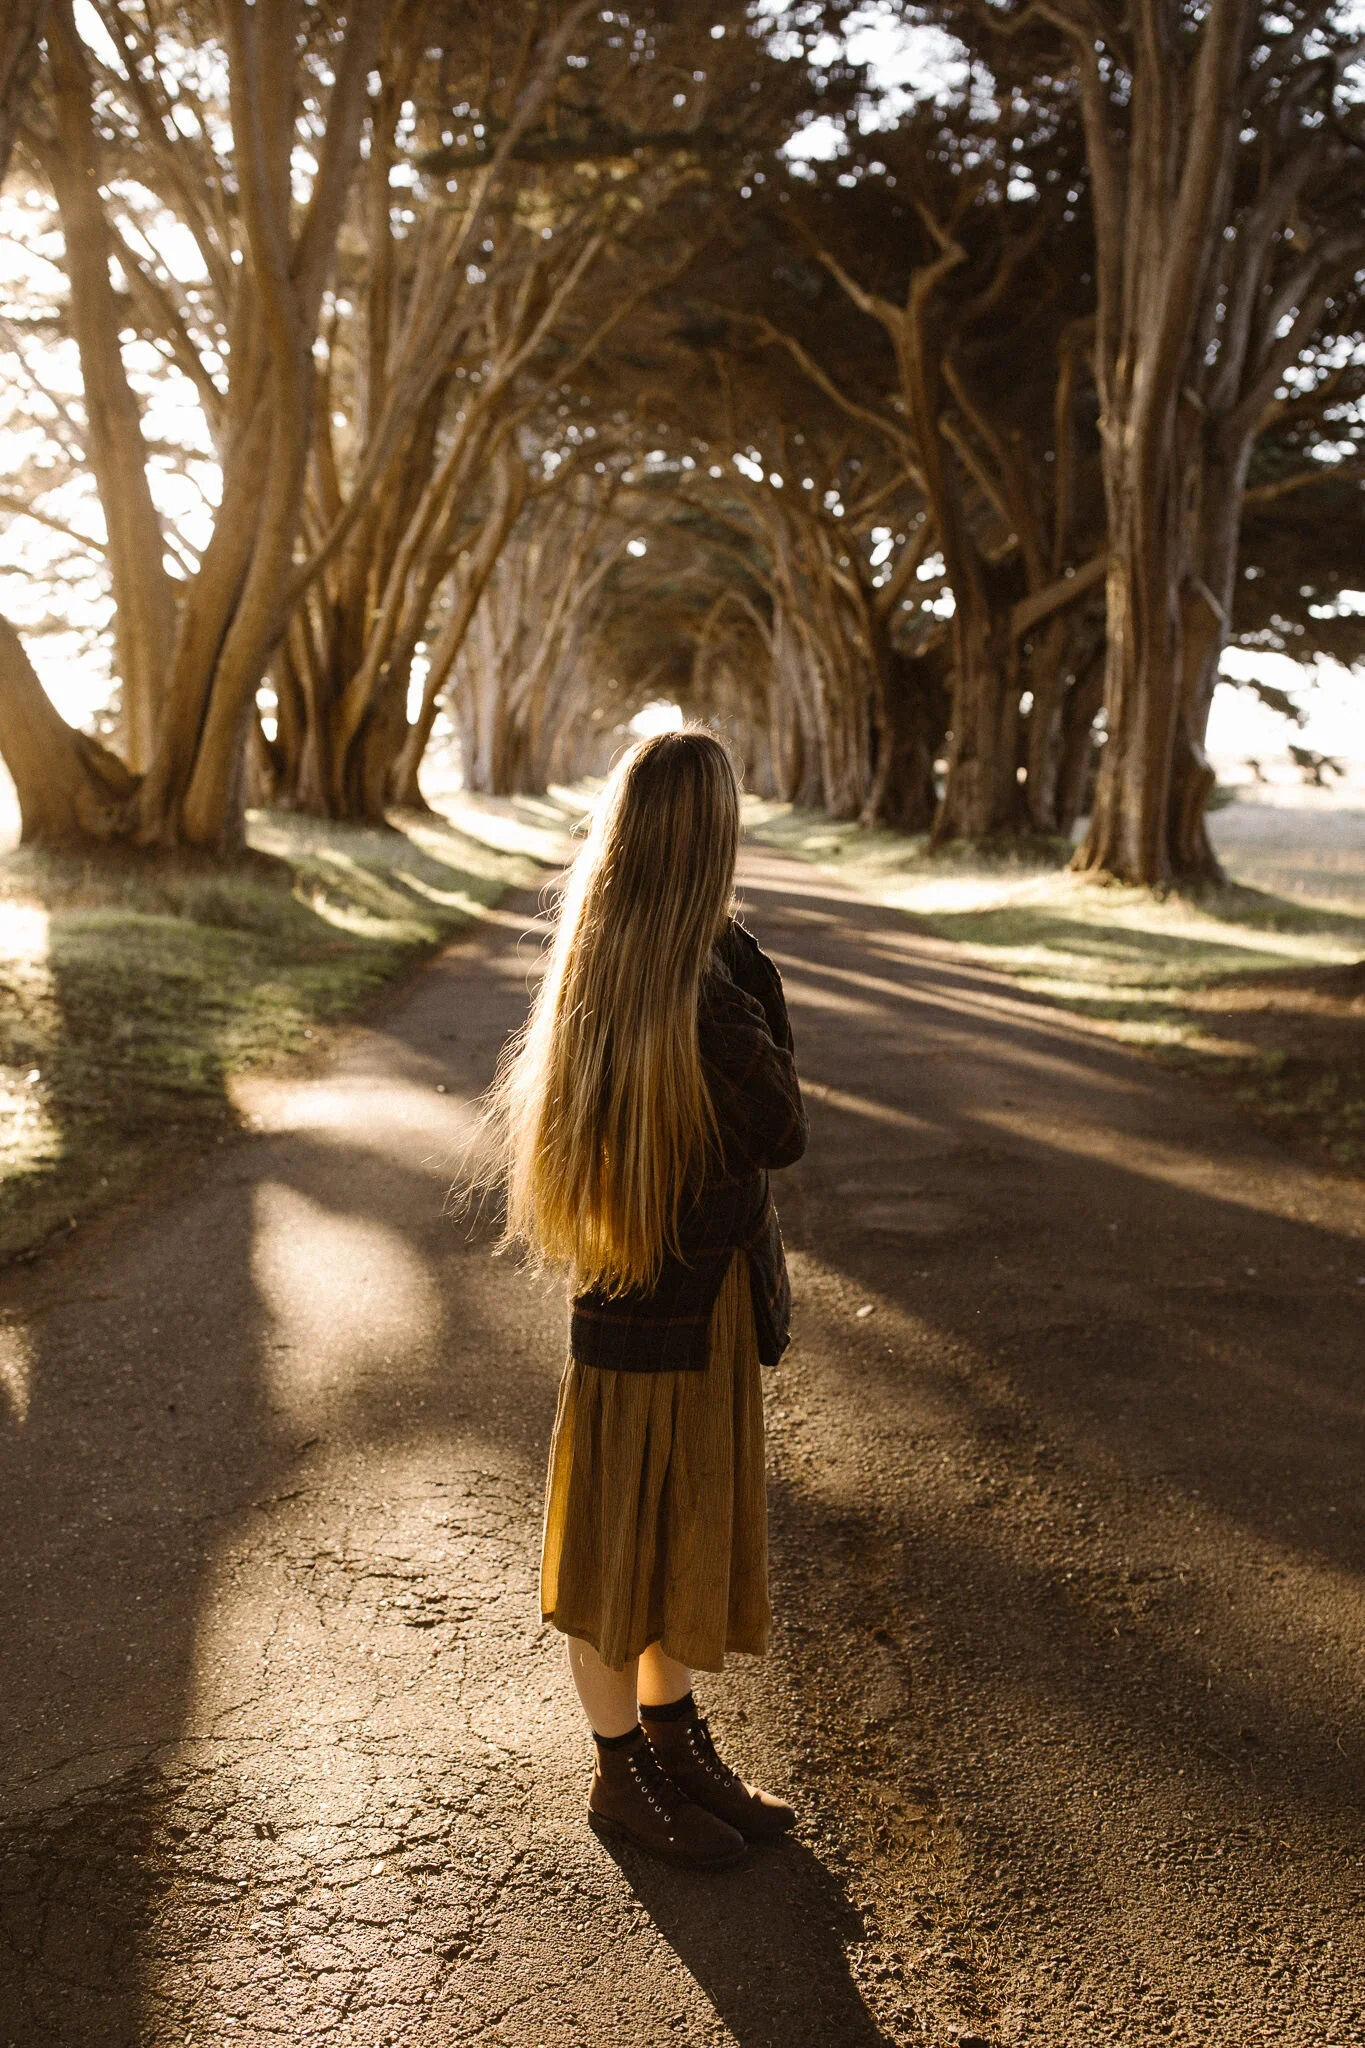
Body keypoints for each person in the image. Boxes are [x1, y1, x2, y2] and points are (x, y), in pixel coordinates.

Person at [474, 728, 807, 1869]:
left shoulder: (615, 961)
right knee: (623, 1548)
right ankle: (622, 1773)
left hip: (685, 1303)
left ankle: (673, 1742)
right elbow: (783, 1129)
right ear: (709, 842)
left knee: (663, 1536)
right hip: (655, 1312)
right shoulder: (699, 984)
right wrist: (748, 972)